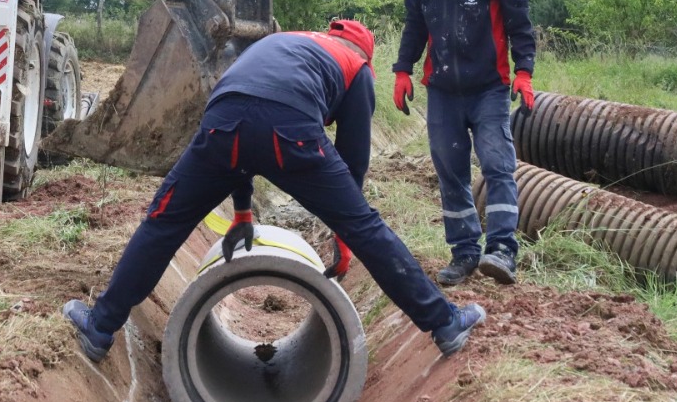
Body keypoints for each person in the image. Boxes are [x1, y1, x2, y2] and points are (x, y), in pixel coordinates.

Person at [63, 19, 487, 362]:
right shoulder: (355, 67)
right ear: (367, 55)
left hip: (221, 124)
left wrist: (243, 213)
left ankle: (100, 327)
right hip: (290, 133)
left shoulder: (286, 42)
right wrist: (344, 233)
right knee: (366, 226)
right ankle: (445, 324)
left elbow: (246, 116)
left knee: (164, 222)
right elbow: (353, 159)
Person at [392, 0, 536, 288]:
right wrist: (403, 69)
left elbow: (520, 28)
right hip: (442, 91)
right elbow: (415, 24)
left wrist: (524, 72)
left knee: (497, 164)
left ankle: (503, 250)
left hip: (488, 88)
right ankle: (465, 253)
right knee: (450, 172)